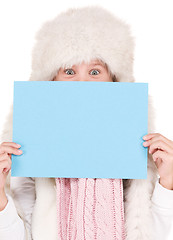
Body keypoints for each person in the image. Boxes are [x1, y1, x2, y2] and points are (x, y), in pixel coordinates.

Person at [0, 5, 173, 240]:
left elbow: (151, 233)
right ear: (51, 81)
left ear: (114, 81)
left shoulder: (139, 147)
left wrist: (167, 184)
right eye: (69, 71)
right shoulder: (28, 150)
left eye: (95, 72)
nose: (82, 82)